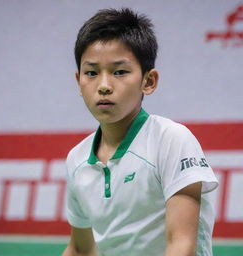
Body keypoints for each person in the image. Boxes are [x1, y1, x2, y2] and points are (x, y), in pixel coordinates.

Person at [62, 8, 218, 256]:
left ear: (149, 81)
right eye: (91, 73)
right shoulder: (76, 159)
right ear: (79, 81)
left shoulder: (172, 139)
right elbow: (80, 249)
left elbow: (181, 245)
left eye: (119, 72)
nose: (103, 86)